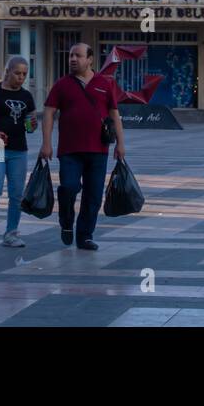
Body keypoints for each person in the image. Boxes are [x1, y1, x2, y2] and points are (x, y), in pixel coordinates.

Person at [40, 43, 125, 251]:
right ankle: (67, 220)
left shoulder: (104, 84)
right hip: (69, 150)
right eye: (70, 55)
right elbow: (49, 112)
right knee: (68, 187)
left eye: (78, 56)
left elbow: (114, 115)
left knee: (93, 195)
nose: (72, 59)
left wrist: (121, 144)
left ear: (90, 60)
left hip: (99, 149)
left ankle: (85, 236)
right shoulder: (62, 84)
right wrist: (46, 143)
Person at [0, 56, 36, 248]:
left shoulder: (26, 96)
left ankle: (11, 233)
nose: (21, 77)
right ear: (8, 71)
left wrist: (32, 124)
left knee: (16, 194)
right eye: (17, 73)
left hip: (19, 149)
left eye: (24, 74)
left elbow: (30, 123)